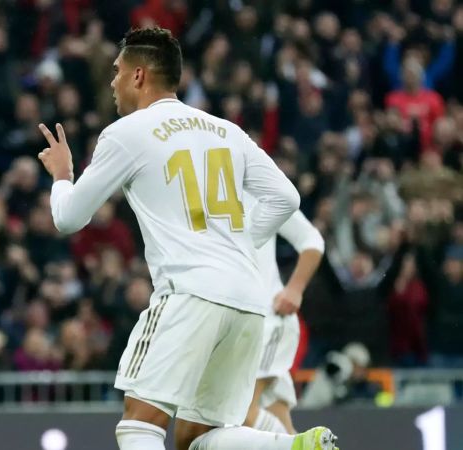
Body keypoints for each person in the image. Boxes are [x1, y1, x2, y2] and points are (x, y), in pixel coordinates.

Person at [36, 27, 337, 450]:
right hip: (248, 301)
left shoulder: (126, 132)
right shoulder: (225, 130)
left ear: (139, 75)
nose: (112, 82)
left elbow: (68, 218)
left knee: (139, 427)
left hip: (189, 293)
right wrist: (238, 245)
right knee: (199, 438)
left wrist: (63, 176)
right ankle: (291, 446)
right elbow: (286, 197)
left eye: (118, 71)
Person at [243, 205, 324, 434]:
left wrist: (295, 288)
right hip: (234, 326)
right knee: (277, 422)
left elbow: (311, 240)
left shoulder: (260, 189)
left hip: (269, 321)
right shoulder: (199, 190)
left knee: (238, 415)